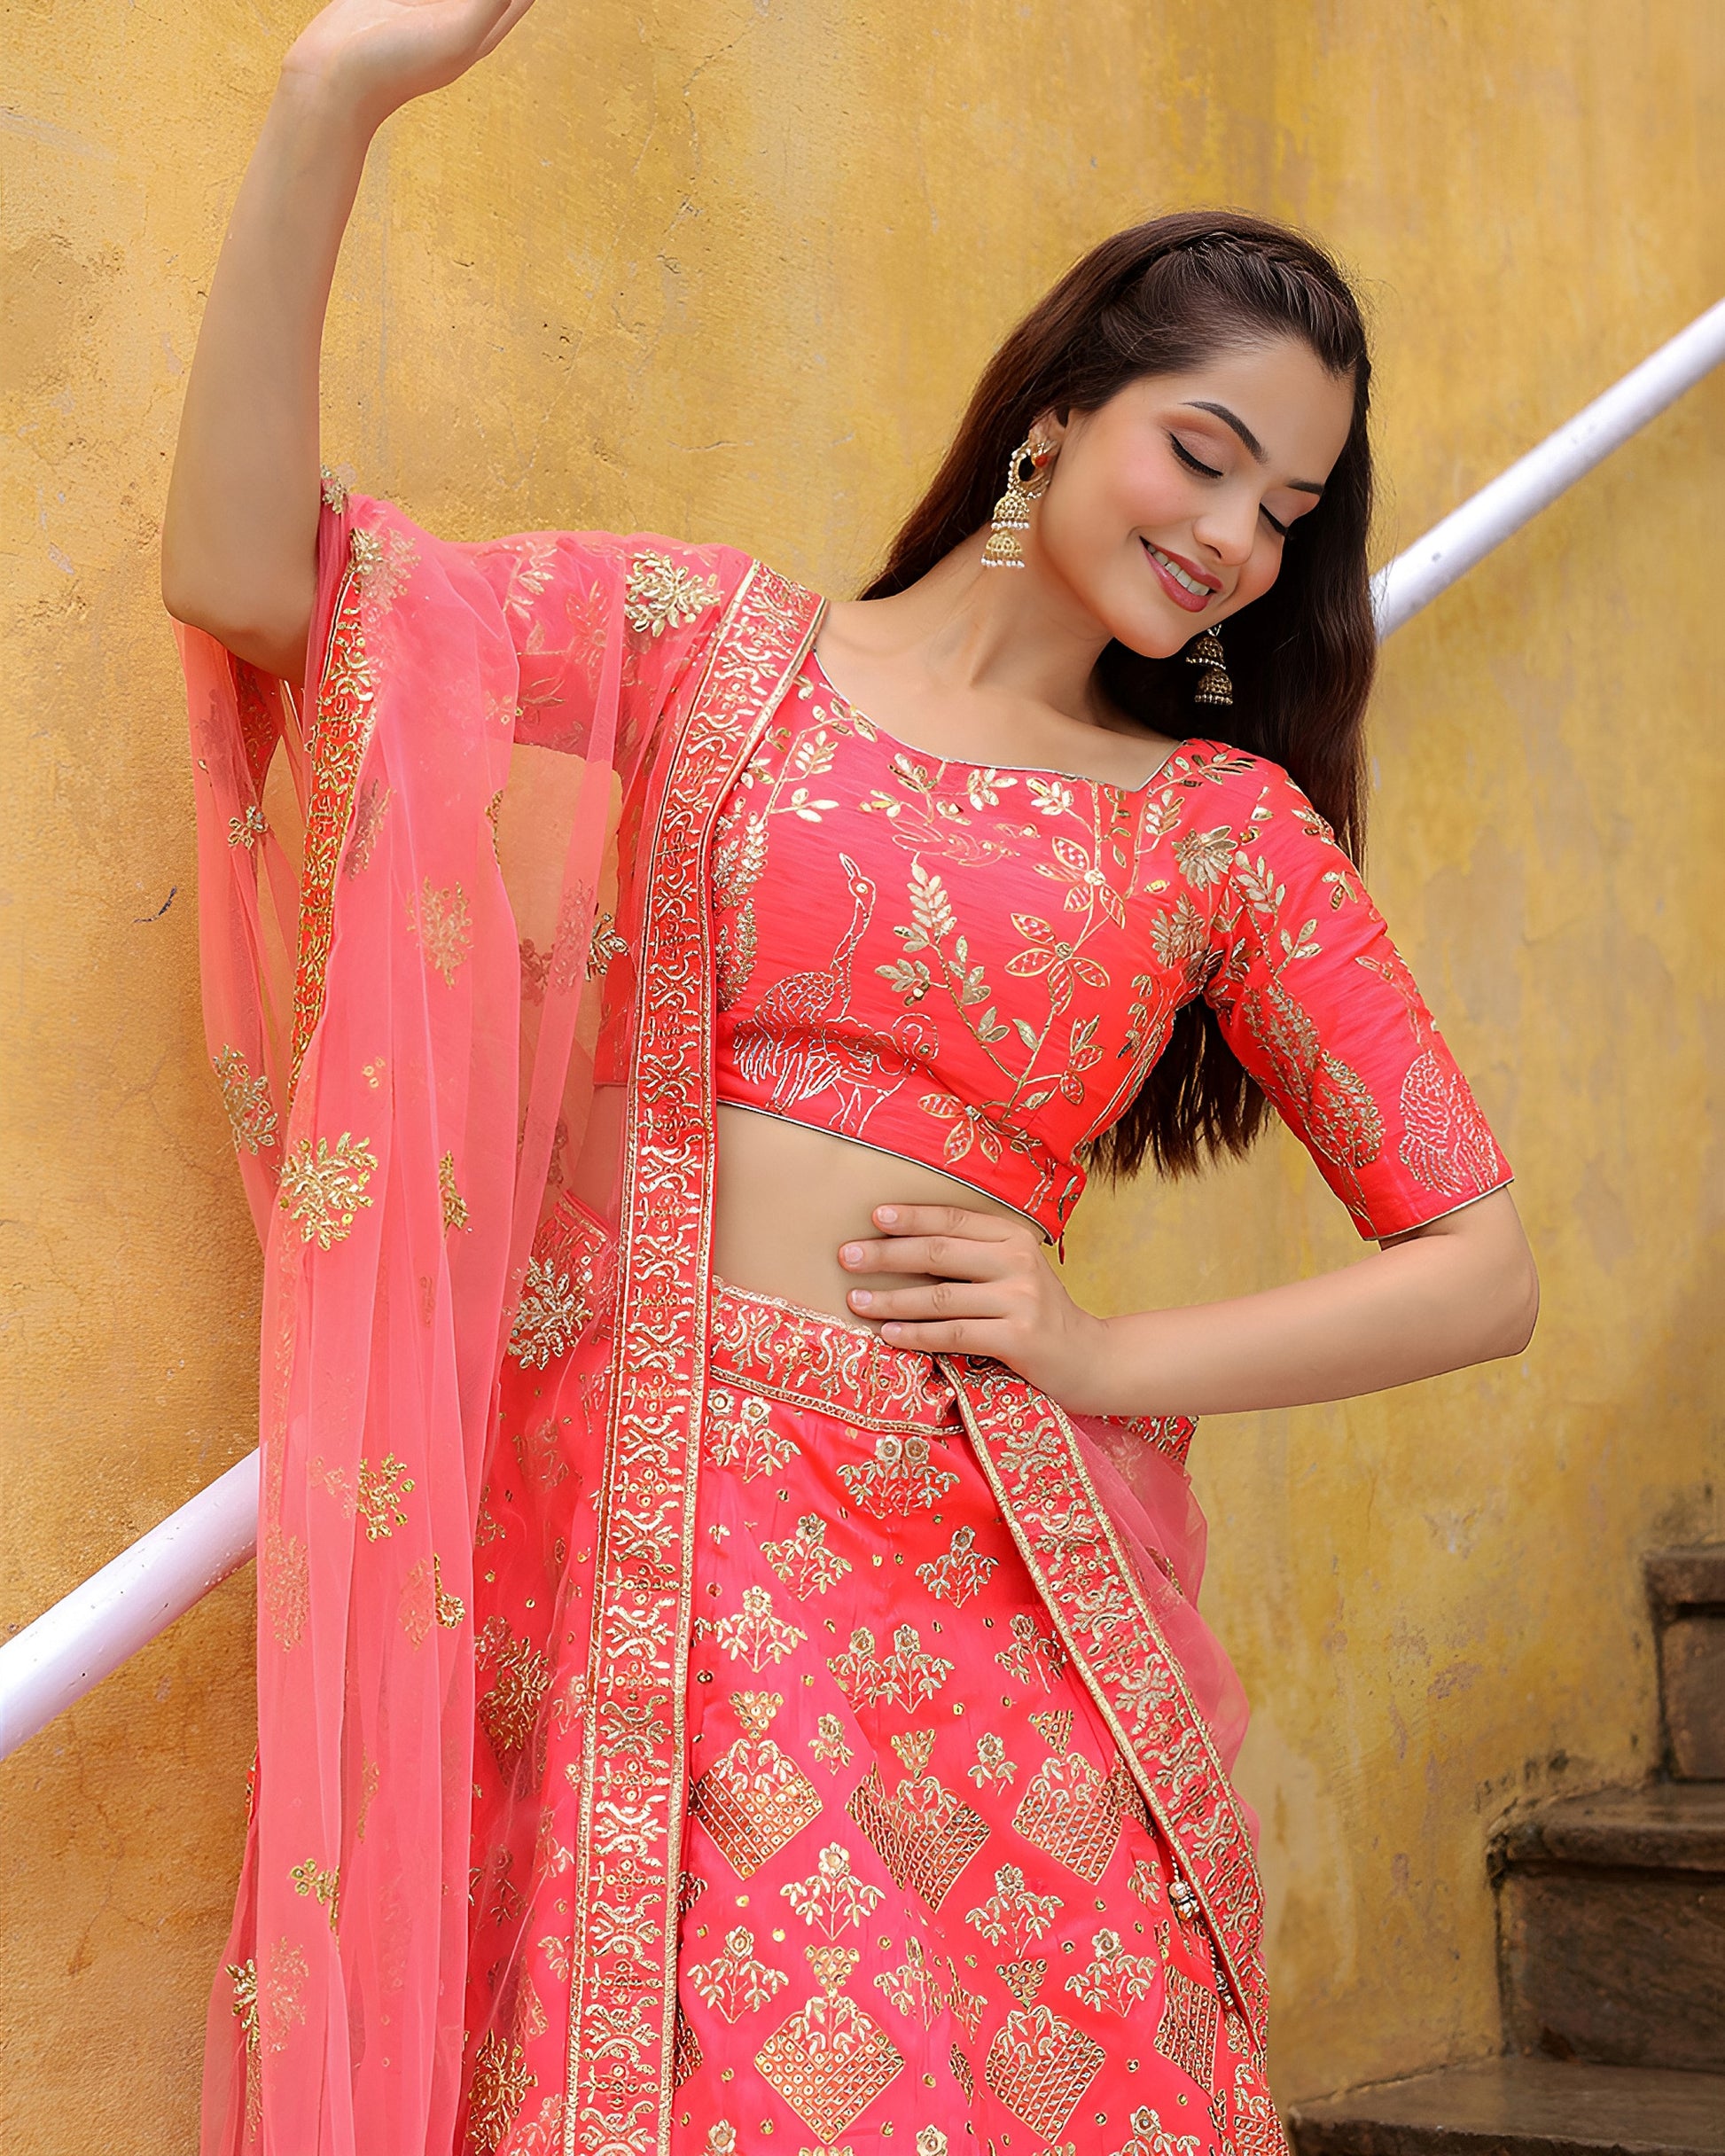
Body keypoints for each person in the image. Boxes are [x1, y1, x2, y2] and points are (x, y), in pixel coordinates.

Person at [161, 5, 1539, 2154]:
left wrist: (1102, 1342)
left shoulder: (1213, 833)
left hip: (986, 1592)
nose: (1236, 540)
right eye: (1201, 451)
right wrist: (332, 93)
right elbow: (254, 584)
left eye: (1284, 511)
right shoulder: (706, 648)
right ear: (1060, 405)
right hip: (641, 1547)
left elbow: (1479, 1261)